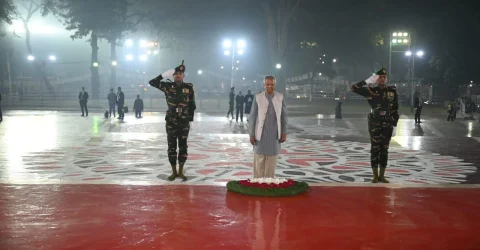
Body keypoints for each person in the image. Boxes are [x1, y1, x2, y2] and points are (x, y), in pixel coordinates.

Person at [350, 66, 399, 183]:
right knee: (375, 148)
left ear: (386, 79)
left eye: (384, 77)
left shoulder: (392, 91)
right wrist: (367, 81)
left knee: (384, 149)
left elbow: (395, 109)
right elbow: (353, 88)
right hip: (375, 122)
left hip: (387, 122)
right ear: (376, 79)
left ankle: (382, 175)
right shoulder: (371, 90)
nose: (382, 79)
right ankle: (375, 175)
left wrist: (395, 124)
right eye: (380, 77)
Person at [149, 60, 196, 181]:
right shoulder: (167, 86)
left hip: (184, 122)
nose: (178, 75)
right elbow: (152, 82)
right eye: (175, 74)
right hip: (171, 121)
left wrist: (189, 119)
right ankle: (173, 171)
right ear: (173, 76)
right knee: (171, 146)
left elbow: (192, 104)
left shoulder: (189, 87)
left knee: (183, 146)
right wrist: (163, 76)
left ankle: (181, 171)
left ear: (183, 76)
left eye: (180, 73)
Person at [248, 76, 287, 178]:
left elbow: (284, 117)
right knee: (259, 160)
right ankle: (257, 183)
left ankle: (269, 183)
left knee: (271, 162)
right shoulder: (258, 97)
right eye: (267, 84)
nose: (269, 86)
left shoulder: (280, 97)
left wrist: (284, 132)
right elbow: (252, 117)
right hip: (260, 134)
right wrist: (251, 134)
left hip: (274, 134)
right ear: (264, 85)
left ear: (275, 84)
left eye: (272, 84)